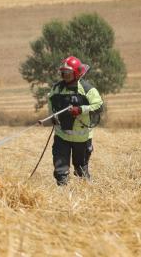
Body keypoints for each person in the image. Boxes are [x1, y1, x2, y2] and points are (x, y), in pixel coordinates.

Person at [39, 56, 104, 185]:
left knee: (81, 168)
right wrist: (50, 118)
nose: (65, 76)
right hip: (61, 136)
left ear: (76, 72)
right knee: (60, 168)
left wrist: (80, 110)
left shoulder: (87, 89)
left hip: (82, 138)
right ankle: (62, 191)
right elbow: (51, 104)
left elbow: (99, 106)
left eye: (68, 73)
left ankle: (86, 189)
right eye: (63, 73)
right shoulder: (57, 89)